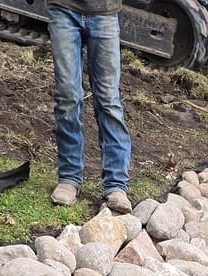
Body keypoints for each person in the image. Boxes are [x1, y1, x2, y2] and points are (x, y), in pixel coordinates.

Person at [45, 0, 132, 213]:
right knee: (67, 96)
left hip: (105, 10)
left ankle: (115, 184)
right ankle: (69, 177)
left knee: (108, 100)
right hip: (63, 7)